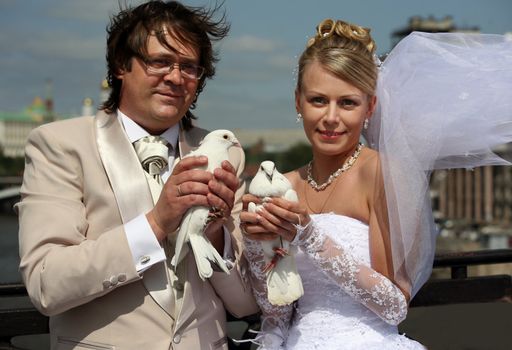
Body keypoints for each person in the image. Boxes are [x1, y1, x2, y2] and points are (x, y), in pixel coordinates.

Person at [240, 18, 512, 349]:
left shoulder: (383, 174)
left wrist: (310, 236)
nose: (330, 117)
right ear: (298, 101)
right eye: (318, 100)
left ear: (369, 106)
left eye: (347, 102)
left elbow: (395, 306)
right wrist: (255, 243)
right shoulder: (286, 184)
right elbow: (277, 312)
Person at [16, 1, 258, 349]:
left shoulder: (226, 152)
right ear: (120, 65)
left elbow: (245, 303)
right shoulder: (60, 145)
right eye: (159, 62)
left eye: (189, 67)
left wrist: (217, 233)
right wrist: (157, 223)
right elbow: (46, 284)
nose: (175, 77)